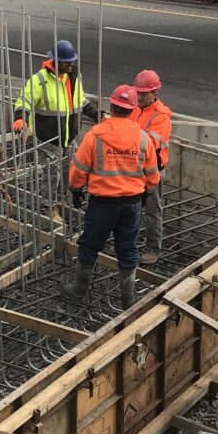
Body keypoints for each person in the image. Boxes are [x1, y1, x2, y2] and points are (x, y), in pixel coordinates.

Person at [60, 85, 160, 310]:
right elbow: (152, 175)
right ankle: (128, 298)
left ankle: (79, 290)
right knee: (128, 249)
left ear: (112, 107)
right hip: (132, 203)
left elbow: (78, 170)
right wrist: (145, 193)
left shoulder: (95, 135)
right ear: (132, 109)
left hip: (103, 204)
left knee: (89, 245)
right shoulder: (143, 138)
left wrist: (75, 190)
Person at [12, 39, 99, 224]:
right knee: (52, 176)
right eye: (67, 61)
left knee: (68, 173)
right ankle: (48, 207)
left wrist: (95, 113)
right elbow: (24, 101)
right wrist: (21, 117)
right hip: (48, 138)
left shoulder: (74, 76)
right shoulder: (39, 80)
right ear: (56, 61)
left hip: (69, 136)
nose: (71, 64)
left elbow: (80, 100)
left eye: (72, 60)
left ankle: (61, 203)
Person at [131, 69, 172, 264]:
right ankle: (128, 242)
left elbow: (150, 144)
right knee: (131, 208)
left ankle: (153, 249)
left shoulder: (161, 116)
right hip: (133, 169)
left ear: (154, 93)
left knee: (153, 211)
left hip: (152, 171)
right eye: (137, 92)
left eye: (143, 94)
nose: (139, 96)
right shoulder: (134, 108)